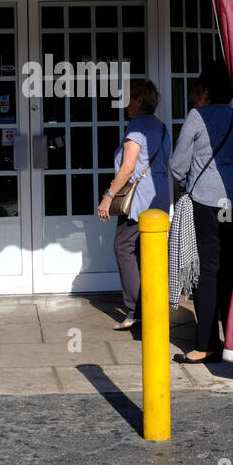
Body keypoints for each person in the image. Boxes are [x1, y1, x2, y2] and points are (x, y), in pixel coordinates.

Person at [169, 62, 233, 364]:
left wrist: (187, 184)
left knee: (207, 270)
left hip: (206, 202)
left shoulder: (197, 117)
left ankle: (206, 344)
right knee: (231, 269)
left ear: (205, 90)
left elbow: (177, 165)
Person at [98, 79, 171, 330]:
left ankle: (135, 310)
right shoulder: (161, 127)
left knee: (123, 247)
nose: (125, 103)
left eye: (129, 98)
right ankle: (152, 307)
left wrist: (108, 196)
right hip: (159, 197)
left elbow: (128, 168)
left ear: (140, 100)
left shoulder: (137, 125)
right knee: (146, 253)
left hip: (138, 201)